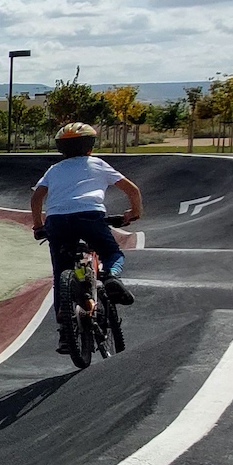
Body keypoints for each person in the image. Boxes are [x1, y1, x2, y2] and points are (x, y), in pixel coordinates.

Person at [30, 122, 142, 354]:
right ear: (91, 146)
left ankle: (64, 331)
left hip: (58, 221)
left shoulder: (54, 169)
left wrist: (39, 226)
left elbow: (37, 198)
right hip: (91, 216)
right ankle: (111, 277)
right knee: (111, 253)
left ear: (61, 149)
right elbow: (133, 190)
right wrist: (134, 213)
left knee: (61, 272)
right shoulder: (98, 164)